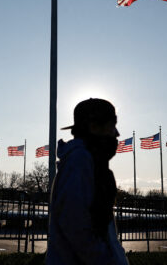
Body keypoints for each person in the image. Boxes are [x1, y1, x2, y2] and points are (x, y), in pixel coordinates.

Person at [46, 98, 129, 265]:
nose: (117, 133)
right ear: (94, 127)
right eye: (112, 125)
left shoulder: (90, 163)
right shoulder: (79, 161)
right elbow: (75, 225)